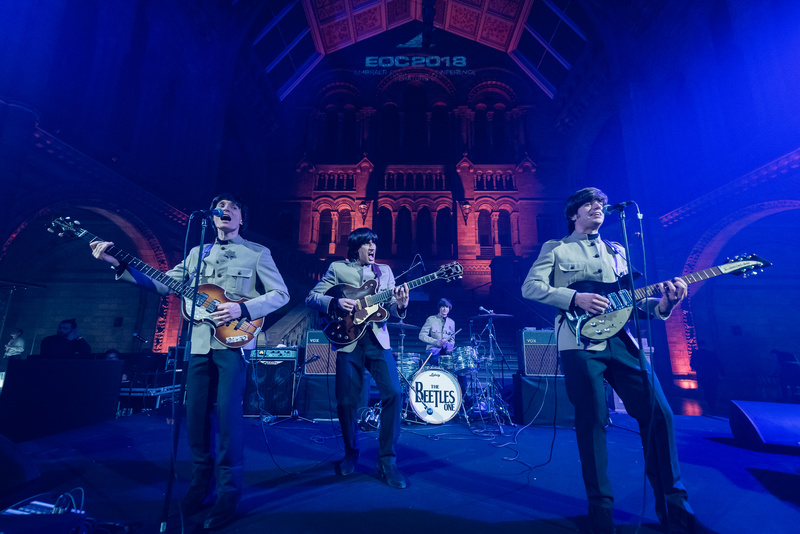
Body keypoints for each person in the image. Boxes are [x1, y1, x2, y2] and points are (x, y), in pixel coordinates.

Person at [90, 193, 289, 529]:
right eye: (221, 206)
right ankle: (200, 485)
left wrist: (243, 308)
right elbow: (162, 282)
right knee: (195, 418)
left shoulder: (257, 253)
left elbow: (281, 293)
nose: (226, 210)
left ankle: (228, 493)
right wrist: (117, 262)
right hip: (197, 344)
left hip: (233, 345)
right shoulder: (198, 253)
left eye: (234, 207)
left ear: (242, 218)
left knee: (227, 418)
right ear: (211, 217)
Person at [522, 187, 695, 534]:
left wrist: (665, 305)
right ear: (574, 214)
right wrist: (575, 297)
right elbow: (531, 287)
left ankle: (674, 507)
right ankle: (601, 511)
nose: (597, 207)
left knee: (658, 412)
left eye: (600, 203)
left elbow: (635, 301)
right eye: (589, 204)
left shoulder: (617, 251)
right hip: (578, 342)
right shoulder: (556, 249)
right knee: (593, 420)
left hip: (621, 339)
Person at [305, 228, 410, 489]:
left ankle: (387, 461)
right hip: (349, 340)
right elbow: (312, 297)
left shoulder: (384, 272)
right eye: (367, 243)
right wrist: (335, 303)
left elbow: (391, 311)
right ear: (355, 247)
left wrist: (402, 305)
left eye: (375, 243)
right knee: (345, 402)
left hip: (377, 340)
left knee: (395, 394)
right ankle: (351, 452)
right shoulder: (338, 268)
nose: (373, 247)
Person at [419, 298, 456, 367]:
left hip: (446, 351)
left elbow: (452, 339)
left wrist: (449, 348)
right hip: (433, 351)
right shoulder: (431, 319)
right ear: (439, 308)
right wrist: (436, 342)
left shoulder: (451, 322)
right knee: (437, 366)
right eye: (443, 307)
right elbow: (421, 335)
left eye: (447, 307)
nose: (445, 309)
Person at [690, 340, 723, 412]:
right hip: (713, 374)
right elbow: (719, 363)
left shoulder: (695, 354)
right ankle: (712, 404)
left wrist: (698, 369)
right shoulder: (711, 353)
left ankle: (710, 404)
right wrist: (722, 374)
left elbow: (692, 364)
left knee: (706, 389)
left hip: (702, 374)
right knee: (713, 389)